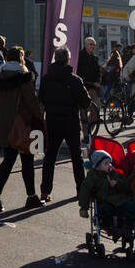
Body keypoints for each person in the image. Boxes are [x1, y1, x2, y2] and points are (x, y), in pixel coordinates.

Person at [0, 47, 43, 211]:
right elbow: (31, 101)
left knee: (8, 160)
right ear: (21, 59)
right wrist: (40, 119)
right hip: (23, 124)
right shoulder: (24, 78)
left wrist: (0, 120)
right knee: (27, 161)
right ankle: (31, 196)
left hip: (5, 125)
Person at [39, 48, 90, 202]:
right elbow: (85, 102)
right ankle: (80, 190)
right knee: (76, 157)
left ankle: (45, 192)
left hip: (52, 121)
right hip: (70, 122)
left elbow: (41, 98)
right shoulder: (74, 79)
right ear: (68, 59)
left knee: (50, 157)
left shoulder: (47, 78)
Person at [78, 150, 134, 232]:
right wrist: (84, 207)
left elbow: (126, 185)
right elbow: (85, 190)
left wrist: (117, 184)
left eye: (110, 162)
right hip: (105, 200)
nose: (109, 165)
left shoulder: (115, 173)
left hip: (120, 200)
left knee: (131, 206)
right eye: (106, 163)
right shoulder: (93, 176)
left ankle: (128, 227)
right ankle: (109, 227)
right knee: (104, 210)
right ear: (97, 166)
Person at [77, 36, 102, 121]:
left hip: (93, 88)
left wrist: (98, 81)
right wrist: (89, 82)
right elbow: (78, 73)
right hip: (83, 87)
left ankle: (90, 130)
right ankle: (86, 132)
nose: (93, 46)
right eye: (91, 44)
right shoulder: (79, 56)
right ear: (85, 45)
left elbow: (98, 72)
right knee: (84, 112)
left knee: (96, 111)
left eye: (94, 45)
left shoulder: (95, 58)